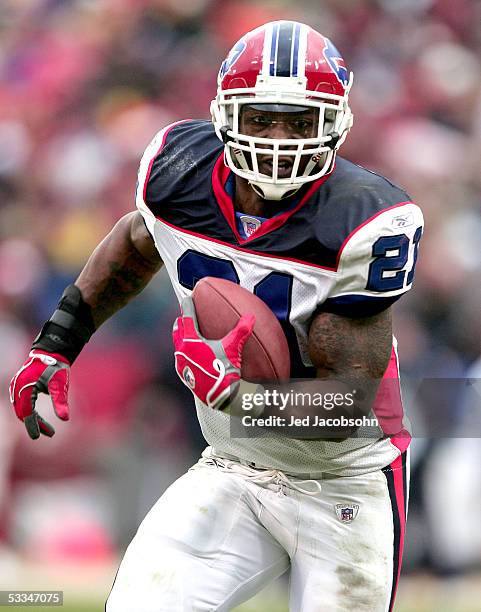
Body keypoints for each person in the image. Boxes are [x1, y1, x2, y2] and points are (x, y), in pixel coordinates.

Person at [9, 21, 423, 611]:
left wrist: (236, 394)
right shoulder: (177, 170)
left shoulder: (362, 222)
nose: (279, 139)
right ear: (226, 114)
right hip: (235, 465)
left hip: (344, 485)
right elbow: (135, 242)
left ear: (334, 124)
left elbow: (346, 406)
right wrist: (57, 343)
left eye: (300, 122)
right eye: (261, 118)